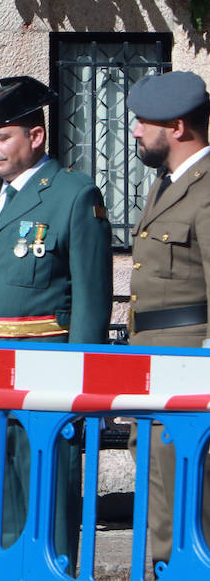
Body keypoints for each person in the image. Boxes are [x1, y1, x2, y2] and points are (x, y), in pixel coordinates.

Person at [0, 75, 113, 559]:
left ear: (36, 137)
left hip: (43, 375)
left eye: (1, 137)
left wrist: (79, 384)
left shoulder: (72, 195)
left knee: (46, 508)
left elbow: (91, 299)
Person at [127, 70, 210, 568]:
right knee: (161, 498)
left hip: (190, 363)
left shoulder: (205, 189)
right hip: (155, 359)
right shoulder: (170, 183)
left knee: (184, 505)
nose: (135, 130)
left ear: (177, 127)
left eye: (144, 122)